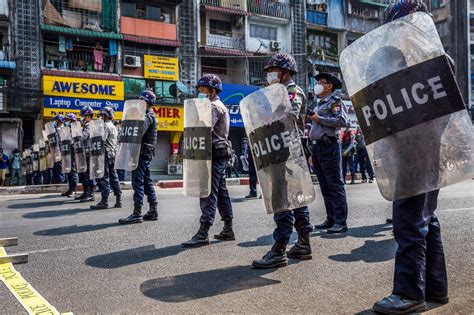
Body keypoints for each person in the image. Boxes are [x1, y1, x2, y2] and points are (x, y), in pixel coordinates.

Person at [372, 2, 449, 313]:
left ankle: (408, 293)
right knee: (426, 220)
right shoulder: (437, 57)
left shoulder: (416, 60)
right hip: (428, 150)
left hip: (415, 152)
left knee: (408, 221)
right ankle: (435, 288)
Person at [252, 53, 313, 269]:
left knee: (283, 198)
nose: (270, 75)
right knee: (294, 197)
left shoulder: (292, 91)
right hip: (278, 149)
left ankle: (279, 248)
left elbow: (290, 115)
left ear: (285, 72)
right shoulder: (274, 93)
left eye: (273, 71)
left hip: (287, 150)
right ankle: (303, 244)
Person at [182, 75, 235, 247]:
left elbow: (202, 129)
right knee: (220, 192)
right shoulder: (219, 106)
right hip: (217, 154)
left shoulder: (213, 107)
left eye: (203, 91)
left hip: (212, 154)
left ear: (212, 91)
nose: (200, 94)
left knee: (208, 192)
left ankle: (203, 232)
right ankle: (228, 228)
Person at [308, 72, 349, 234]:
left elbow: (342, 121)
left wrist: (320, 119)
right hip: (318, 147)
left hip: (329, 146)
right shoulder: (319, 104)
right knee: (324, 185)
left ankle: (341, 221)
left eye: (321, 82)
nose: (317, 84)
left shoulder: (335, 102)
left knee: (334, 184)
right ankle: (331, 218)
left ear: (329, 86)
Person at [119, 90, 158, 224]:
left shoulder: (147, 117)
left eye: (142, 101)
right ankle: (153, 210)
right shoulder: (148, 115)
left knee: (138, 182)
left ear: (147, 103)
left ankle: (137, 213)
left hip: (141, 154)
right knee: (146, 182)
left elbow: (138, 133)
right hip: (144, 154)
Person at [91, 107, 122, 209]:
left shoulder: (105, 126)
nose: (100, 117)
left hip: (105, 154)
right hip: (113, 155)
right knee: (114, 177)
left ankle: (104, 201)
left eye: (101, 115)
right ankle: (118, 199)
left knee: (104, 177)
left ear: (105, 116)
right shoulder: (113, 126)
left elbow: (101, 139)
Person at [75, 106, 95, 202]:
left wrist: (76, 133)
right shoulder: (86, 125)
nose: (82, 118)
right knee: (83, 173)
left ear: (88, 116)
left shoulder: (90, 125)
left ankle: (90, 194)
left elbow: (83, 137)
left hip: (89, 153)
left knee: (88, 174)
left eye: (83, 116)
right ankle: (86, 191)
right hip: (84, 152)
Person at [61, 113, 78, 197]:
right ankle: (70, 189)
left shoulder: (76, 129)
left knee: (72, 171)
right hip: (67, 152)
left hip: (73, 152)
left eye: (68, 120)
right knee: (68, 171)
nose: (66, 122)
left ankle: (73, 190)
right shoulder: (67, 129)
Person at [52, 114, 65, 184]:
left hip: (61, 149)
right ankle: (56, 180)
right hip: (56, 149)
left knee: (60, 166)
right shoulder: (56, 129)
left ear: (59, 121)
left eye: (56, 120)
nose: (55, 122)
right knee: (56, 166)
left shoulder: (61, 129)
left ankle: (61, 181)